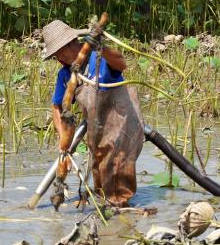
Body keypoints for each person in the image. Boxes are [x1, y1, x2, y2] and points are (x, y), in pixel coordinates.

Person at [42, 20, 144, 207]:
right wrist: (63, 140)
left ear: (73, 43)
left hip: (123, 124)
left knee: (118, 175)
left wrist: (101, 48)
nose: (60, 58)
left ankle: (120, 221)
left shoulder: (99, 58)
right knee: (100, 177)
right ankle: (107, 216)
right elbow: (56, 106)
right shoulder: (65, 75)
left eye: (62, 52)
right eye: (56, 55)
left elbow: (121, 64)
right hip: (97, 130)